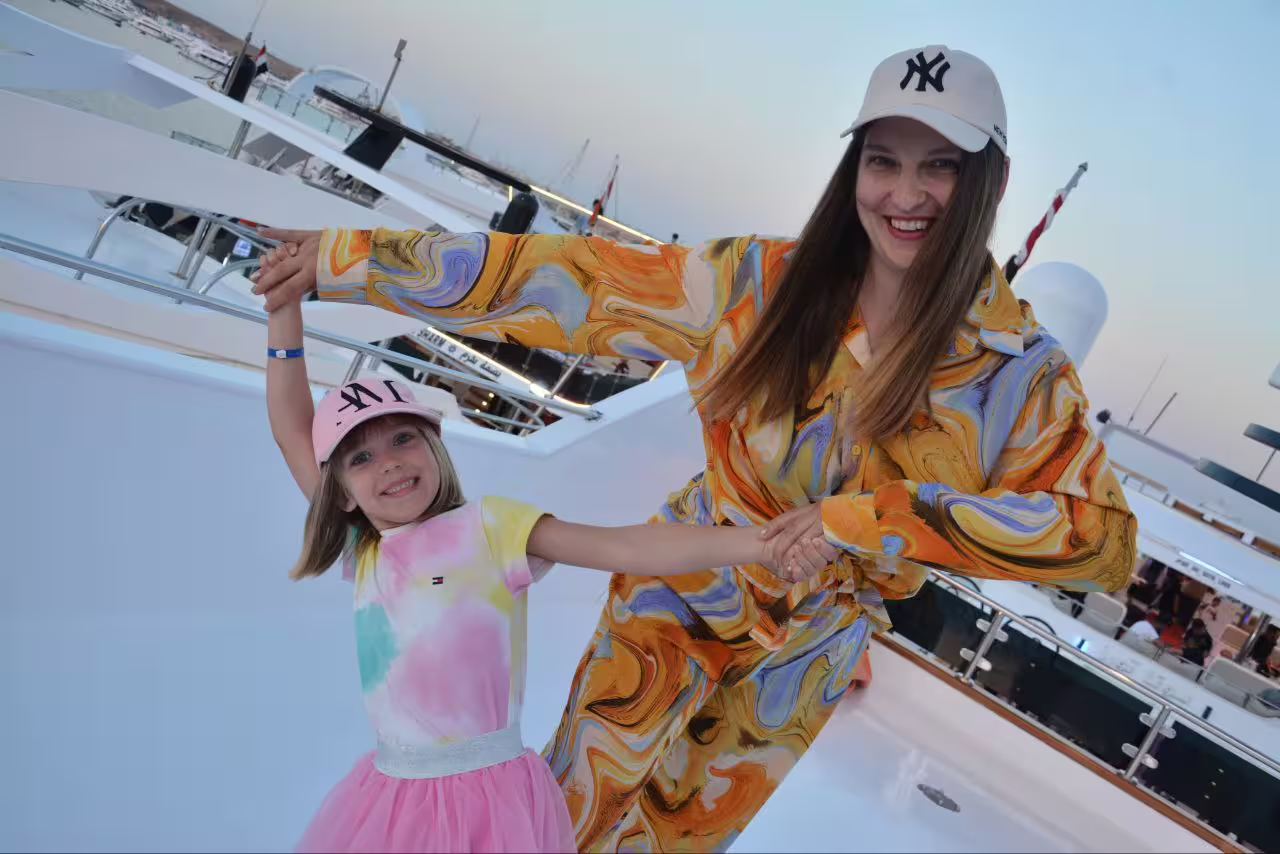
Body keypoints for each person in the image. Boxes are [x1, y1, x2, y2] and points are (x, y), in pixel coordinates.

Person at [253, 44, 1137, 852]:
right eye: (884, 161)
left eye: (940, 166)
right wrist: (348, 261)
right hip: (681, 587)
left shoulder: (1020, 372)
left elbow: (1099, 539)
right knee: (564, 816)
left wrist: (869, 522)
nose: (906, 195)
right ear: (855, 166)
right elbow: (570, 281)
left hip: (807, 653)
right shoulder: (755, 284)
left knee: (672, 842)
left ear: (991, 177)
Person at [262, 293, 832, 853]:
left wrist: (764, 544)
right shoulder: (366, 549)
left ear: (434, 444)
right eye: (359, 458)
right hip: (389, 797)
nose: (388, 462)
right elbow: (292, 431)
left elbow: (630, 548)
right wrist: (283, 311)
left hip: (487, 799)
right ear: (338, 493)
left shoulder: (489, 526)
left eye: (403, 437)